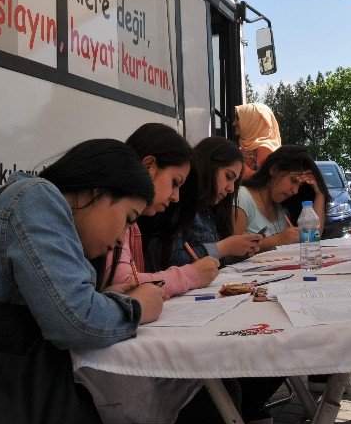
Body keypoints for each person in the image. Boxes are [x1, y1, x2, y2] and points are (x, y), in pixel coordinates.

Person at [0, 139, 164, 352]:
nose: (123, 237)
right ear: (95, 192)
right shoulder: (36, 199)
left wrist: (107, 299)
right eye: (127, 219)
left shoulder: (26, 198)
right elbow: (75, 322)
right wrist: (137, 307)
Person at [100, 124, 219, 299]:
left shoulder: (142, 224)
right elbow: (124, 283)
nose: (176, 197)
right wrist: (191, 274)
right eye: (174, 183)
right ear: (149, 166)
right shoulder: (114, 207)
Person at [142, 136, 264, 270]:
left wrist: (237, 251)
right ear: (208, 166)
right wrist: (224, 247)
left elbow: (213, 264)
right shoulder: (175, 204)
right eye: (228, 177)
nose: (230, 189)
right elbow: (165, 262)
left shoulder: (210, 211)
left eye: (235, 182)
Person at [235, 145, 327, 249]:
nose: (295, 191)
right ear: (274, 169)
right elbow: (231, 254)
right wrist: (277, 240)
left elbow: (313, 236)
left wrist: (320, 193)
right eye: (293, 180)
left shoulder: (279, 205)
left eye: (300, 186)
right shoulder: (242, 198)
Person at [233, 103, 283, 178]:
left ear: (253, 121)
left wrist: (239, 166)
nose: (233, 123)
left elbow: (264, 181)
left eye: (238, 118)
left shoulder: (264, 149)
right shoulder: (246, 148)